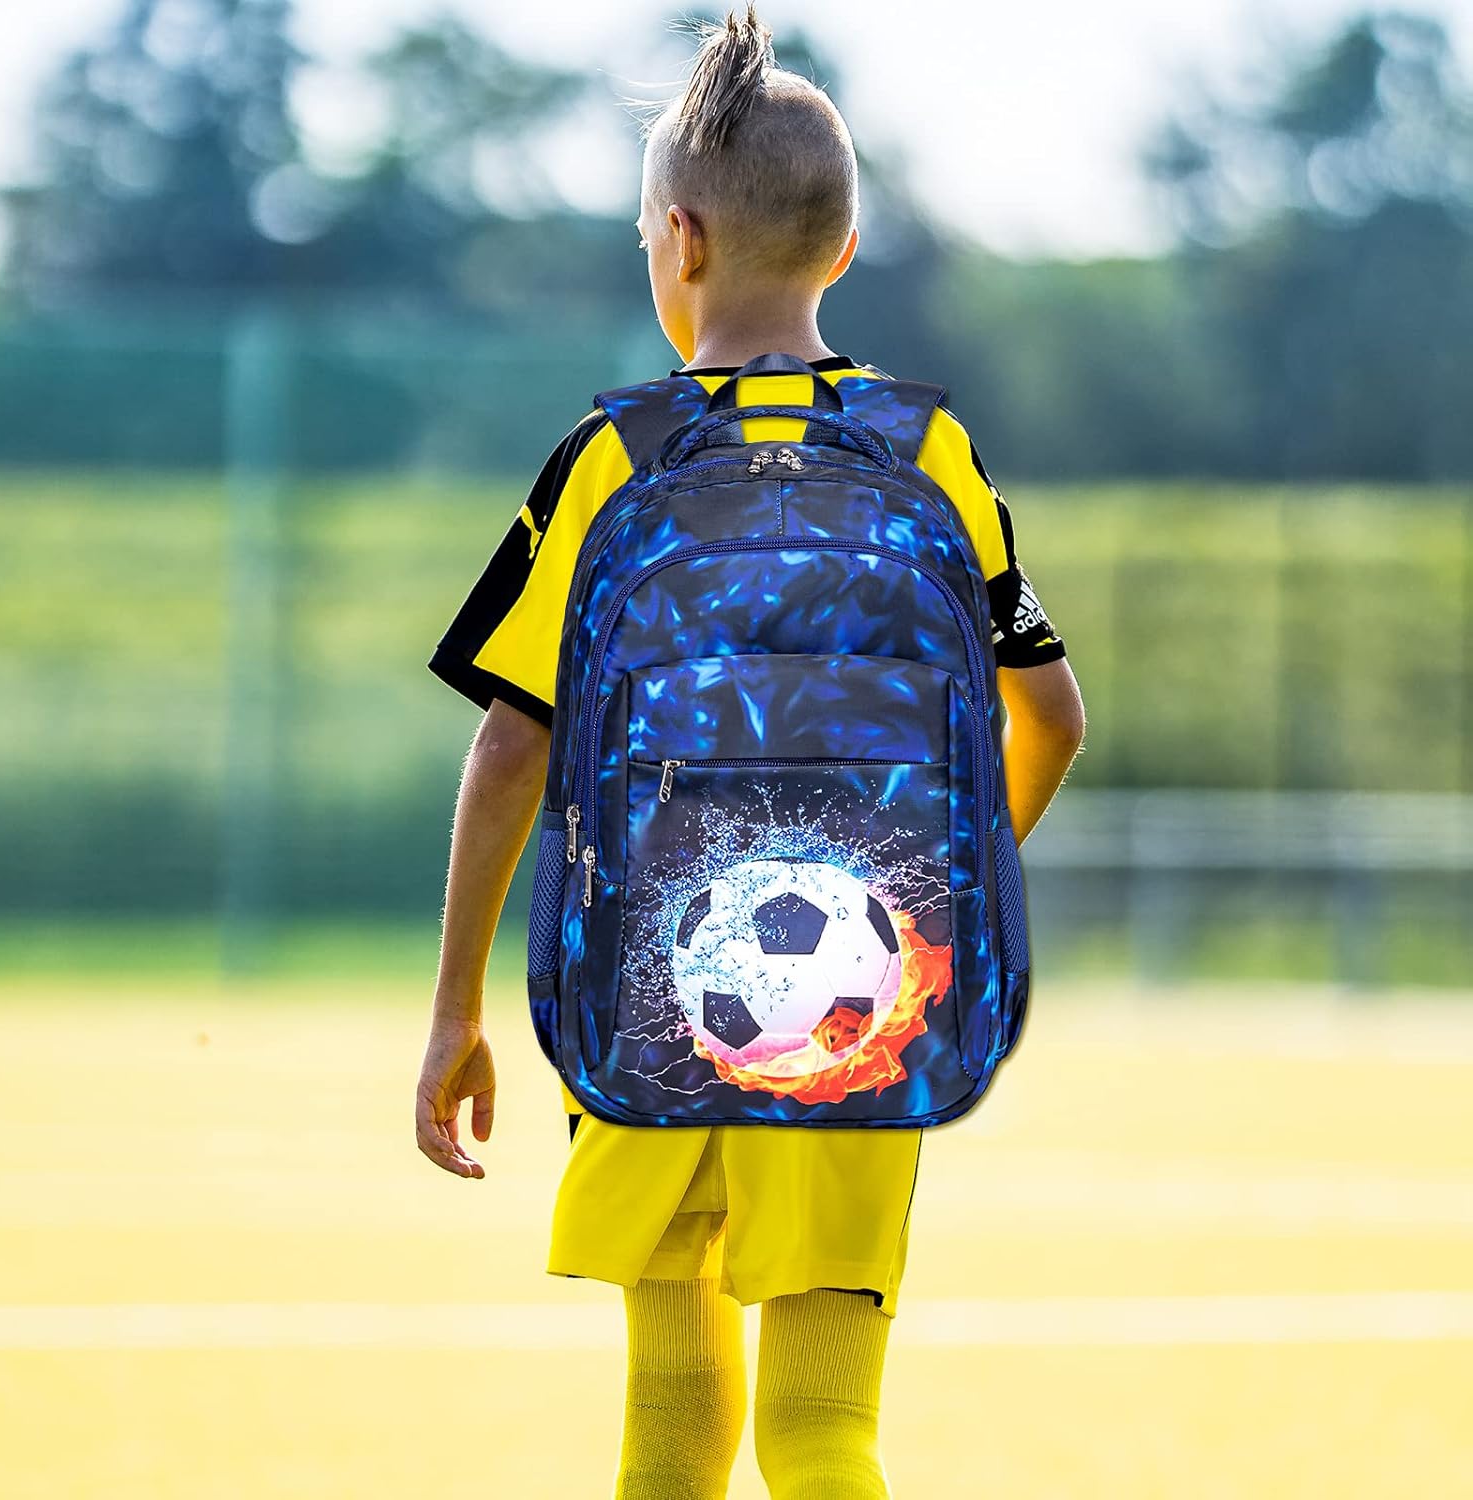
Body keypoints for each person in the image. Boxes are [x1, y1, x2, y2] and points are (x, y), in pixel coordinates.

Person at [416, 7, 1085, 1496]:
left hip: (654, 991)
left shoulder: (617, 455)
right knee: (823, 1428)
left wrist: (456, 1010)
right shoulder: (926, 449)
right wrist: (925, 902)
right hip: (872, 1000)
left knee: (670, 1411)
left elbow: (512, 749)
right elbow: (1051, 715)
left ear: (679, 239)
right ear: (843, 247)